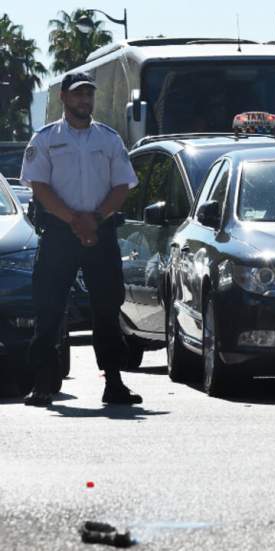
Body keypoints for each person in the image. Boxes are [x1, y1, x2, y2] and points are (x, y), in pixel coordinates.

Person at [19, 71, 142, 407]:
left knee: (106, 307)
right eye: (77, 95)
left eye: (88, 95)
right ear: (63, 98)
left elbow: (121, 186)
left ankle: (114, 382)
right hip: (60, 234)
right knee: (49, 309)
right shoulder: (45, 139)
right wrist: (75, 220)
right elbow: (40, 188)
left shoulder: (109, 139)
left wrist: (96, 219)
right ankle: (44, 383)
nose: (84, 101)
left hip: (100, 233)